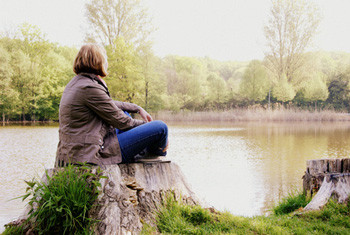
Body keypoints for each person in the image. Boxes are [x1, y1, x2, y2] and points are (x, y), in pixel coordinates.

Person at [55, 44, 168, 167]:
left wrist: (137, 108)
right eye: (105, 59)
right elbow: (123, 122)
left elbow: (111, 104)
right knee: (161, 128)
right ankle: (153, 153)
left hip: (78, 151)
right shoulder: (89, 87)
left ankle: (147, 150)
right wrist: (149, 127)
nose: (107, 63)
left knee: (125, 112)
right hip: (91, 153)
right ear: (97, 61)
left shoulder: (77, 83)